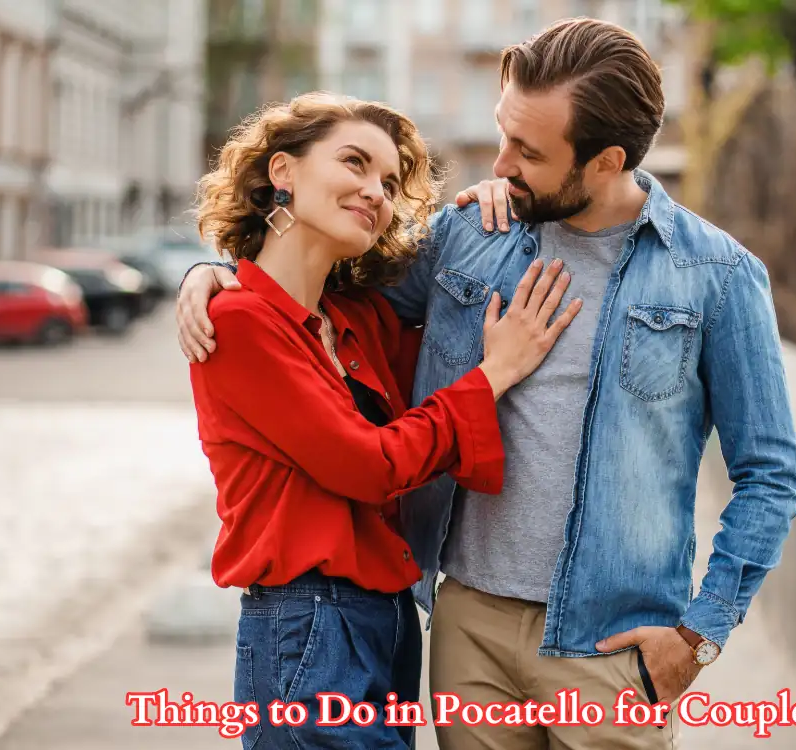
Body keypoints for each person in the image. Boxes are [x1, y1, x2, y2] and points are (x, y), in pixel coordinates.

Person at [179, 18, 796, 750]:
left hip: (608, 644)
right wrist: (215, 272)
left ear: (605, 161)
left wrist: (699, 637)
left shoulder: (716, 276)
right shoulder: (471, 233)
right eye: (504, 133)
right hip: (465, 626)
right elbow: (326, 298)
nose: (501, 161)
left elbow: (768, 477)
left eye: (528, 151)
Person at [185, 92, 581, 749]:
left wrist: (495, 201)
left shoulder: (359, 321)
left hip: (389, 619)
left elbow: (451, 331)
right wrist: (495, 372)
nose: (376, 191)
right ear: (282, 172)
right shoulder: (238, 324)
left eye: (390, 181)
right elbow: (369, 466)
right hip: (303, 623)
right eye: (354, 163)